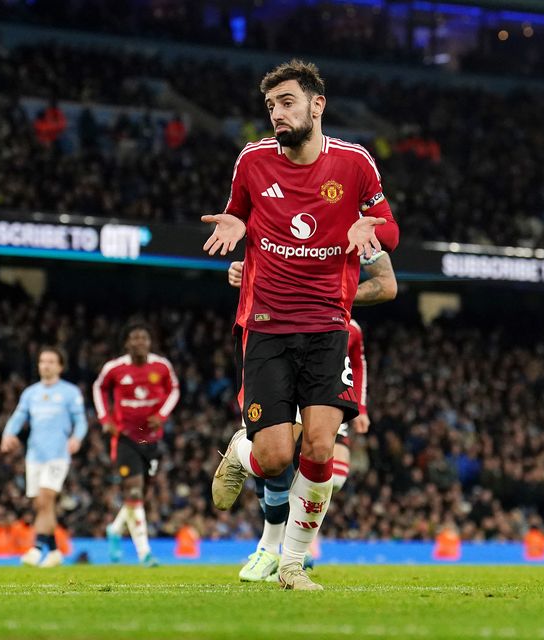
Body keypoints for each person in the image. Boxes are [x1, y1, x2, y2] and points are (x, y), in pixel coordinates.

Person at [202, 59, 399, 590]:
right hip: (266, 323)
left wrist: (371, 225)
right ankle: (240, 453)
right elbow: (238, 214)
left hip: (327, 326)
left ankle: (291, 563)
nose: (277, 114)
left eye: (286, 102)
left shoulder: (356, 164)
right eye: (270, 106)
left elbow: (392, 230)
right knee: (274, 456)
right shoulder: (253, 160)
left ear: (317, 105)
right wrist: (235, 224)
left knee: (318, 449)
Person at [227, 252, 396, 582]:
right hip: (275, 343)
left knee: (326, 470)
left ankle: (292, 556)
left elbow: (386, 283)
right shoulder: (281, 217)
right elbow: (269, 249)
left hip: (324, 362)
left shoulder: (351, 327)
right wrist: (244, 269)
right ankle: (269, 549)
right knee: (275, 461)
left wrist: (359, 407)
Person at [93, 323, 179, 567]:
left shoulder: (161, 366)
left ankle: (115, 529)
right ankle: (145, 553)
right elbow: (98, 388)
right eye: (135, 338)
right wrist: (105, 419)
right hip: (125, 437)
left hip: (150, 438)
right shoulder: (114, 368)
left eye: (144, 338)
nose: (140, 342)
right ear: (127, 343)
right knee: (133, 491)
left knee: (142, 494)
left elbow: (174, 390)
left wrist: (161, 415)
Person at [1, 347, 87, 568]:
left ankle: (36, 548)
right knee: (41, 506)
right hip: (34, 455)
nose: (45, 365)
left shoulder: (70, 392)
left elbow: (81, 421)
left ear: (60, 366)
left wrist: (76, 438)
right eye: (42, 361)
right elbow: (18, 416)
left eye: (50, 361)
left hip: (58, 455)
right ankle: (55, 551)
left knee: (46, 498)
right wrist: (8, 433)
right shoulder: (31, 393)